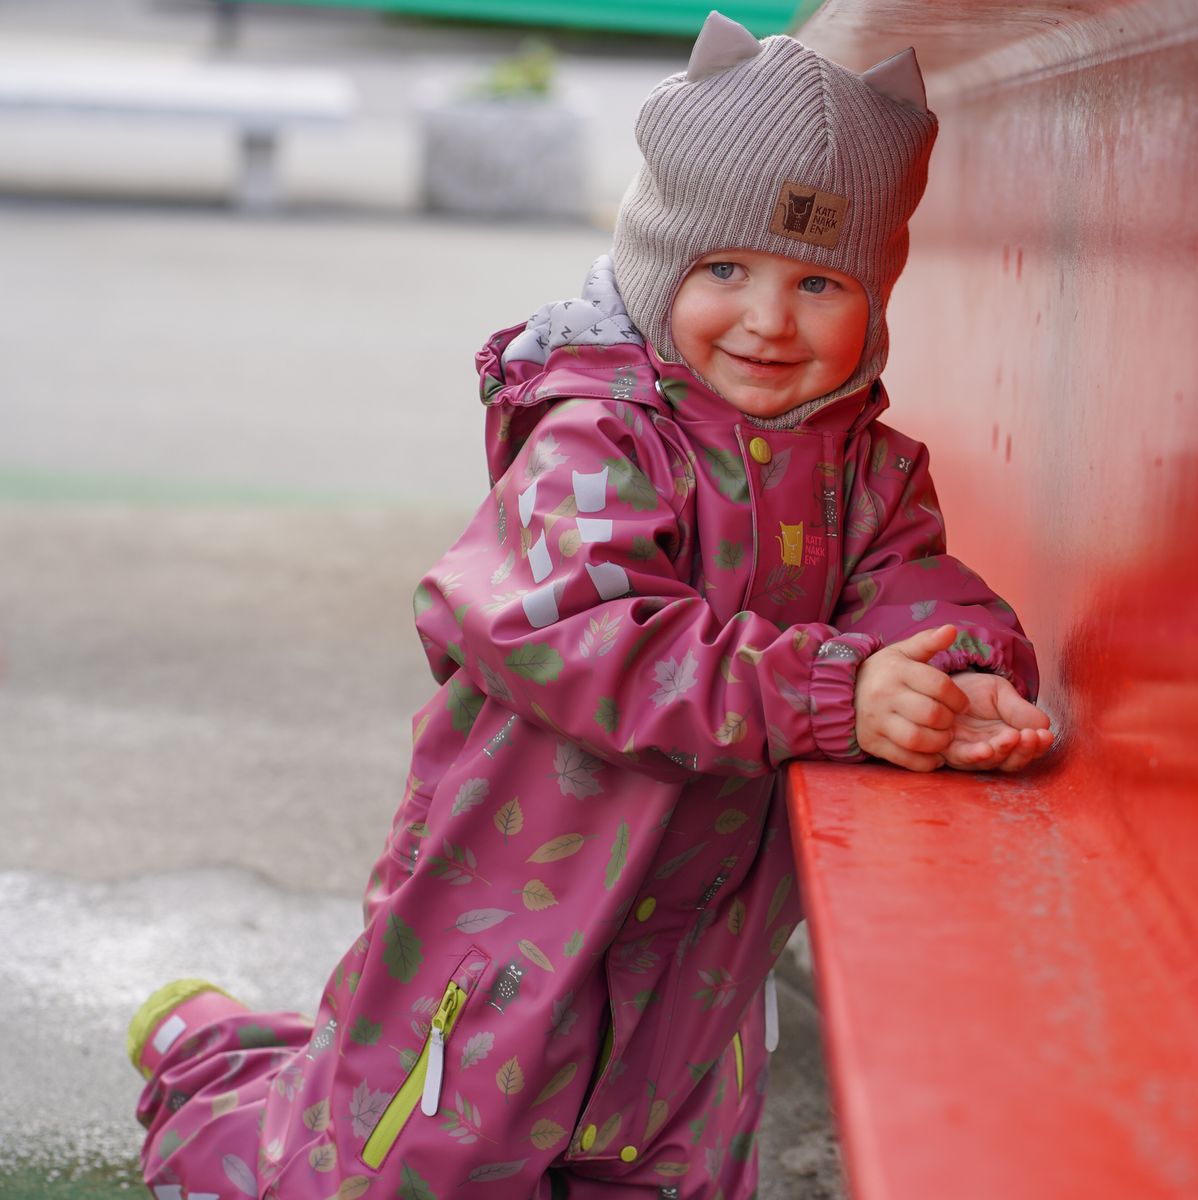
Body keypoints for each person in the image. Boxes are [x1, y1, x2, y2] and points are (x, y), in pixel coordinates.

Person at [127, 12, 1053, 1199]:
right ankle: (209, 1061)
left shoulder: (868, 471)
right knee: (406, 1154)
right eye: (726, 270)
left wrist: (965, 669)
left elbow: (914, 587)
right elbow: (571, 630)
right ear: (661, 261)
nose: (770, 319)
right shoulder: (598, 435)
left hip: (704, 935)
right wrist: (834, 693)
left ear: (872, 301)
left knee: (659, 1161)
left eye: (819, 281)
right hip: (515, 899)